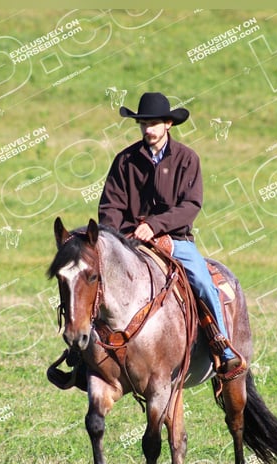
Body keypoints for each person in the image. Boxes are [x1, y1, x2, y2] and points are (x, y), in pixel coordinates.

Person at [97, 91, 244, 377]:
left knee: (202, 281)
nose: (148, 129)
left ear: (168, 124)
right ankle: (82, 355)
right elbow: (110, 205)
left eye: (154, 123)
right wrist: (118, 239)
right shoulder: (124, 161)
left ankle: (222, 345)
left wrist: (155, 226)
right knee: (95, 283)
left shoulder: (188, 159)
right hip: (129, 241)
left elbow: (191, 205)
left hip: (175, 240)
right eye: (143, 124)